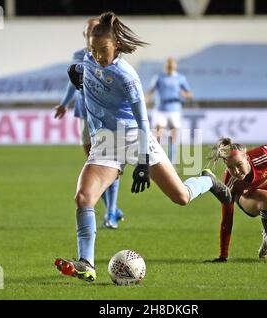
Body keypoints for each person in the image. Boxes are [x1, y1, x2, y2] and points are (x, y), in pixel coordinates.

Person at [54, 11, 231, 282]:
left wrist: (144, 161)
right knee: (83, 199)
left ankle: (208, 182)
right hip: (106, 143)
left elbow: (143, 120)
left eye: (103, 50)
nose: (98, 56)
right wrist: (75, 79)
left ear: (117, 46)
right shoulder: (87, 61)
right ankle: (86, 263)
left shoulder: (126, 76)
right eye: (93, 50)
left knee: (181, 197)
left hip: (136, 137)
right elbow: (78, 71)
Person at [53, 18, 124, 229]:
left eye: (96, 29)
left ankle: (111, 212)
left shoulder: (107, 56)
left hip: (104, 115)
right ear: (85, 34)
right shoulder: (78, 56)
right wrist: (64, 104)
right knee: (93, 163)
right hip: (83, 113)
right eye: (89, 30)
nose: (92, 32)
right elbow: (72, 84)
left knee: (108, 161)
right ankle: (113, 208)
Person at [145, 58, 192, 165]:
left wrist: (184, 94)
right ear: (165, 66)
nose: (170, 66)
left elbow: (189, 94)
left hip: (174, 110)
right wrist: (145, 100)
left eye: (172, 64)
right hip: (160, 109)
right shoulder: (159, 77)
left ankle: (171, 162)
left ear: (175, 66)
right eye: (168, 64)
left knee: (173, 136)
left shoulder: (180, 78)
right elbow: (150, 91)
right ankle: (156, 160)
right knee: (158, 135)